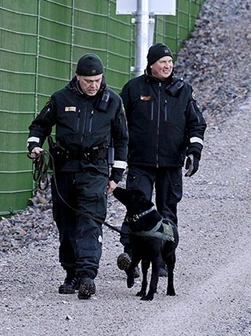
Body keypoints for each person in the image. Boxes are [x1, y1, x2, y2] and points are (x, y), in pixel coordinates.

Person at [27, 52, 128, 300]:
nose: (93, 86)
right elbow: (40, 125)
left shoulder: (112, 102)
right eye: (88, 81)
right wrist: (34, 146)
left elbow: (122, 140)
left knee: (90, 222)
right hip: (65, 170)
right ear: (77, 78)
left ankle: (86, 276)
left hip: (95, 171)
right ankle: (71, 273)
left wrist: (116, 175)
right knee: (66, 223)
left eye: (97, 80)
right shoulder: (61, 99)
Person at [117, 42, 206, 277]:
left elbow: (196, 124)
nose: (167, 66)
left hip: (171, 165)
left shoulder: (183, 91)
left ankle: (163, 260)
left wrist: (193, 153)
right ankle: (131, 257)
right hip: (140, 163)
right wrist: (117, 157)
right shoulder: (133, 89)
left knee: (167, 213)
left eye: (169, 62)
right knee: (137, 209)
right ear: (151, 65)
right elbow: (117, 123)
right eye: (162, 62)